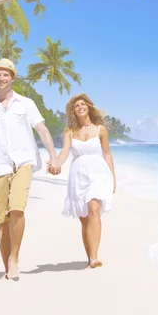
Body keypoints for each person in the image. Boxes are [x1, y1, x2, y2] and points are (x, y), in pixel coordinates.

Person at [0, 58, 61, 281]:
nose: (1, 79)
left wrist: (53, 156)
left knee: (17, 209)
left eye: (5, 75)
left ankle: (14, 259)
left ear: (13, 77)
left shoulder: (26, 104)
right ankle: (7, 266)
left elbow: (42, 129)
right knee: (2, 219)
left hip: (22, 163)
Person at [55, 93, 116, 268]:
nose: (80, 107)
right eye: (76, 105)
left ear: (88, 106)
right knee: (84, 218)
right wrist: (56, 164)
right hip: (78, 175)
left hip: (99, 174)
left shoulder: (100, 129)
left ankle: (95, 257)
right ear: (73, 111)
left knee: (93, 208)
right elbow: (65, 151)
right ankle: (90, 256)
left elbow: (107, 153)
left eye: (83, 104)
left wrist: (113, 178)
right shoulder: (69, 131)